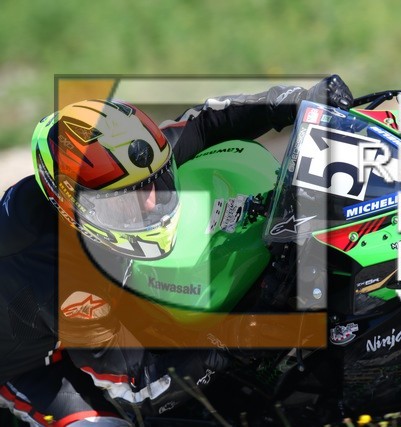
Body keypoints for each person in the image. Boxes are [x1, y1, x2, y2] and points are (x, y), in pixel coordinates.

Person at [0, 75, 353, 426]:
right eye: (125, 201)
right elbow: (140, 390)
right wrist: (235, 339)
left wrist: (295, 101)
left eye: (155, 182)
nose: (150, 203)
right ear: (72, 207)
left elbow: (206, 122)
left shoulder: (123, 164)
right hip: (35, 367)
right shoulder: (61, 281)